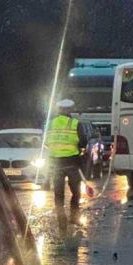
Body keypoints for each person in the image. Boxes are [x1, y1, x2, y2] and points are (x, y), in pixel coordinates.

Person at [45, 99, 87, 233]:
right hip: (72, 163)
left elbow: (45, 142)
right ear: (70, 110)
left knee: (58, 194)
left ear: (58, 110)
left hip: (55, 163)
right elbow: (83, 142)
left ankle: (61, 220)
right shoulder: (75, 123)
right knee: (76, 192)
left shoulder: (50, 123)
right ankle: (74, 217)